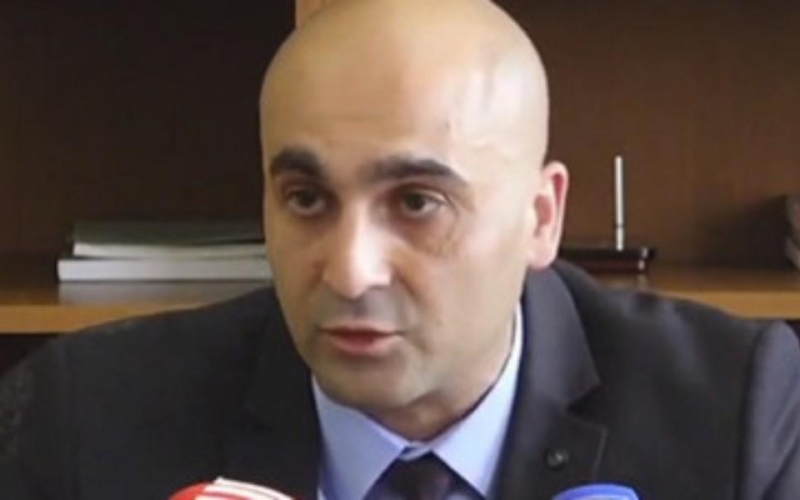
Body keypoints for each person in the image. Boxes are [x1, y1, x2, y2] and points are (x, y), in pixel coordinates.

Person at [2, 0, 799, 498]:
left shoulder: (739, 414)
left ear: (540, 217)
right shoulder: (83, 421)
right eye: (307, 199)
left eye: (418, 203)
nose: (350, 272)